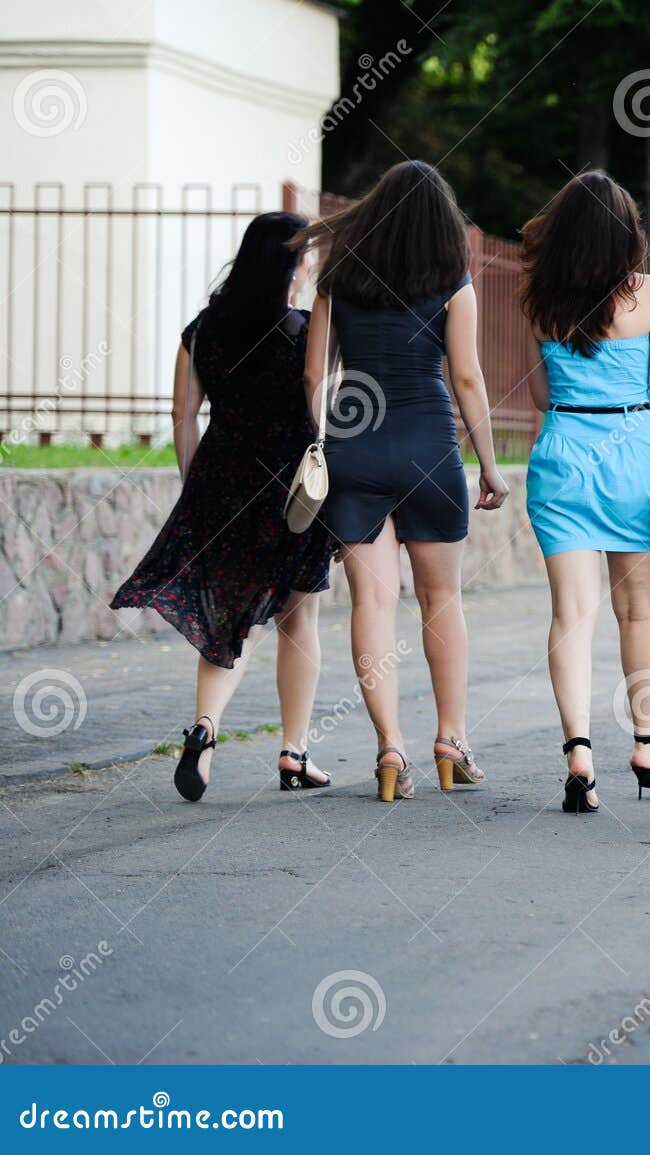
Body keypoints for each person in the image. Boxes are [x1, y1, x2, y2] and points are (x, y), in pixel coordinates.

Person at [295, 161, 511, 802]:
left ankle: (390, 749)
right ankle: (451, 739)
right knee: (442, 599)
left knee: (373, 603)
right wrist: (491, 466)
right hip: (429, 451)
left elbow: (314, 378)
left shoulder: (339, 279)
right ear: (441, 222)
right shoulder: (453, 280)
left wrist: (322, 442)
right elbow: (467, 378)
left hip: (354, 453)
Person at [111, 212, 338, 802]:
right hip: (288, 487)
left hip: (222, 480)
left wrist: (195, 489)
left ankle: (205, 731)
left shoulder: (201, 330)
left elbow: (183, 417)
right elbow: (320, 406)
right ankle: (294, 753)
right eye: (307, 254)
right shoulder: (305, 331)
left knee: (225, 621)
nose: (312, 263)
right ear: (290, 263)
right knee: (298, 620)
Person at [519, 171, 650, 815]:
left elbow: (541, 398)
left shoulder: (539, 301)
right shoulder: (649, 293)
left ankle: (579, 756)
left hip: (564, 459)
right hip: (635, 463)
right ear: (627, 233)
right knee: (639, 613)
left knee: (572, 617)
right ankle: (646, 745)